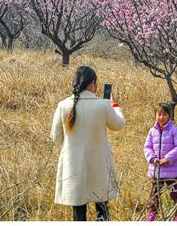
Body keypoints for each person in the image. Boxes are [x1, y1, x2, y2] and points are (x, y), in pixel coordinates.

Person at [50, 66, 125, 221]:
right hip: (99, 165)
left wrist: (71, 144)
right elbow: (118, 125)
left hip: (73, 165)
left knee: (78, 212)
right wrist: (115, 107)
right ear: (92, 84)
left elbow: (55, 137)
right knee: (102, 209)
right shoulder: (103, 105)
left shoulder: (63, 105)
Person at [144, 103, 177, 221]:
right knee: (154, 195)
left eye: (165, 114)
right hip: (157, 171)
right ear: (155, 115)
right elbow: (147, 147)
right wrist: (152, 158)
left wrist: (167, 159)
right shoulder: (152, 131)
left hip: (171, 172)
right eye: (159, 114)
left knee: (175, 193)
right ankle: (152, 213)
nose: (161, 117)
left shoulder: (174, 130)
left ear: (170, 116)